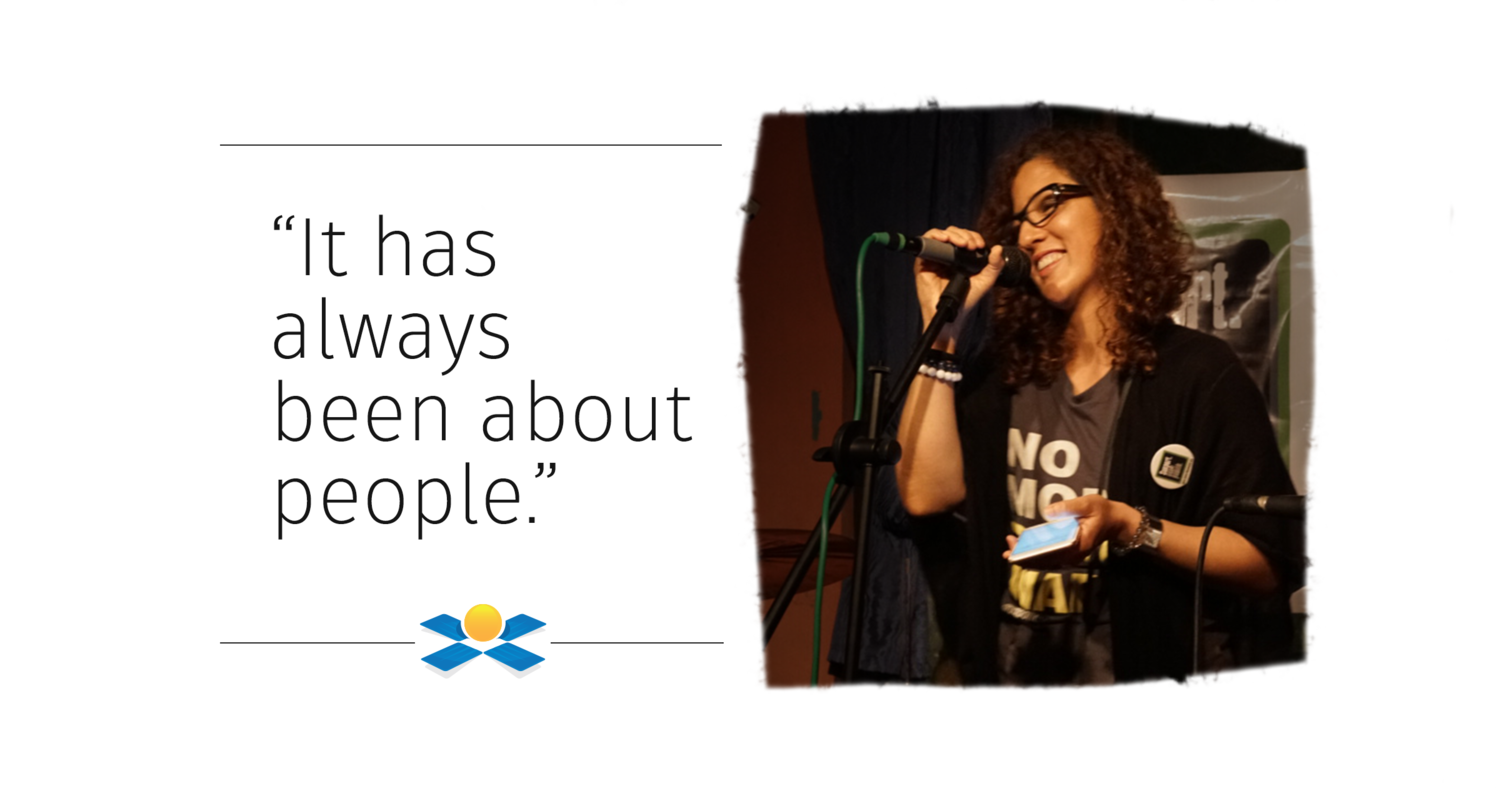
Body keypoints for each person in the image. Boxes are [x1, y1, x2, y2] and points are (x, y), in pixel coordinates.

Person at [895, 128, 1301, 684]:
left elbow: (1264, 563)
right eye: (1019, 222)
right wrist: (940, 328)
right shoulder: (1006, 370)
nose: (1030, 234)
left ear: (1112, 204)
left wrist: (1129, 526)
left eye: (1049, 204)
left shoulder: (1199, 373)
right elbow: (925, 493)